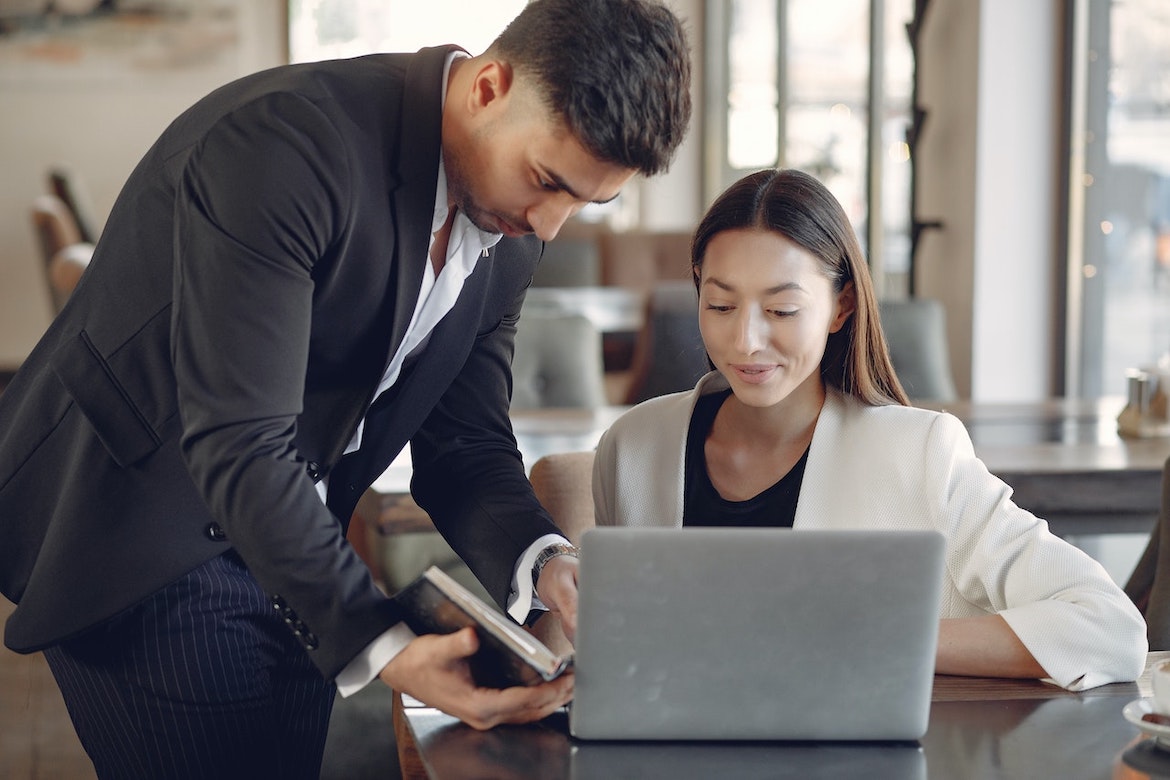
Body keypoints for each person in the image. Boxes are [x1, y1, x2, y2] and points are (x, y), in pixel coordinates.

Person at [0, 0, 691, 776]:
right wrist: (383, 642)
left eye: (586, 203)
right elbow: (240, 441)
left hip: (294, 529)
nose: (552, 224)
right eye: (547, 181)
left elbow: (464, 441)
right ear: (490, 86)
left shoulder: (511, 229)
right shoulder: (284, 145)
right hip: (143, 516)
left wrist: (546, 561)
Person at [591, 168, 1147, 691]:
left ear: (841, 307)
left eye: (782, 311)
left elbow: (1108, 628)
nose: (745, 341)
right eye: (720, 304)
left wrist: (878, 638)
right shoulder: (634, 449)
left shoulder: (919, 453)